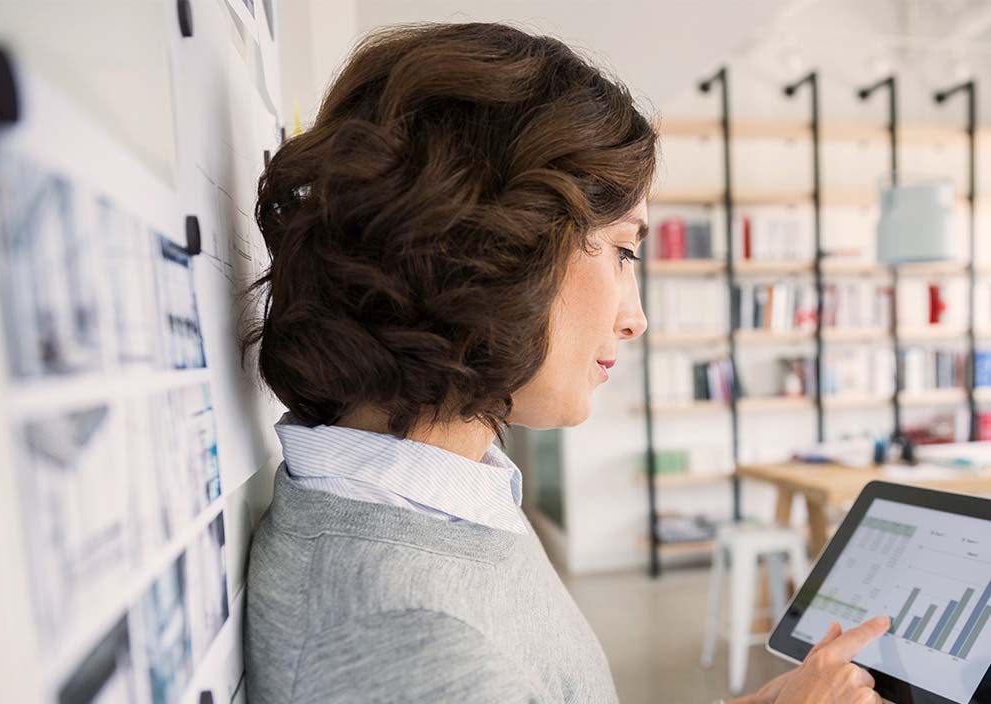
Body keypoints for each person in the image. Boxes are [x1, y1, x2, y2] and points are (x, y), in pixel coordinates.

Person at [239, 21, 889, 703]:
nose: (635, 317)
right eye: (623, 251)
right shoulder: (414, 649)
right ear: (492, 250)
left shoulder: (440, 495)